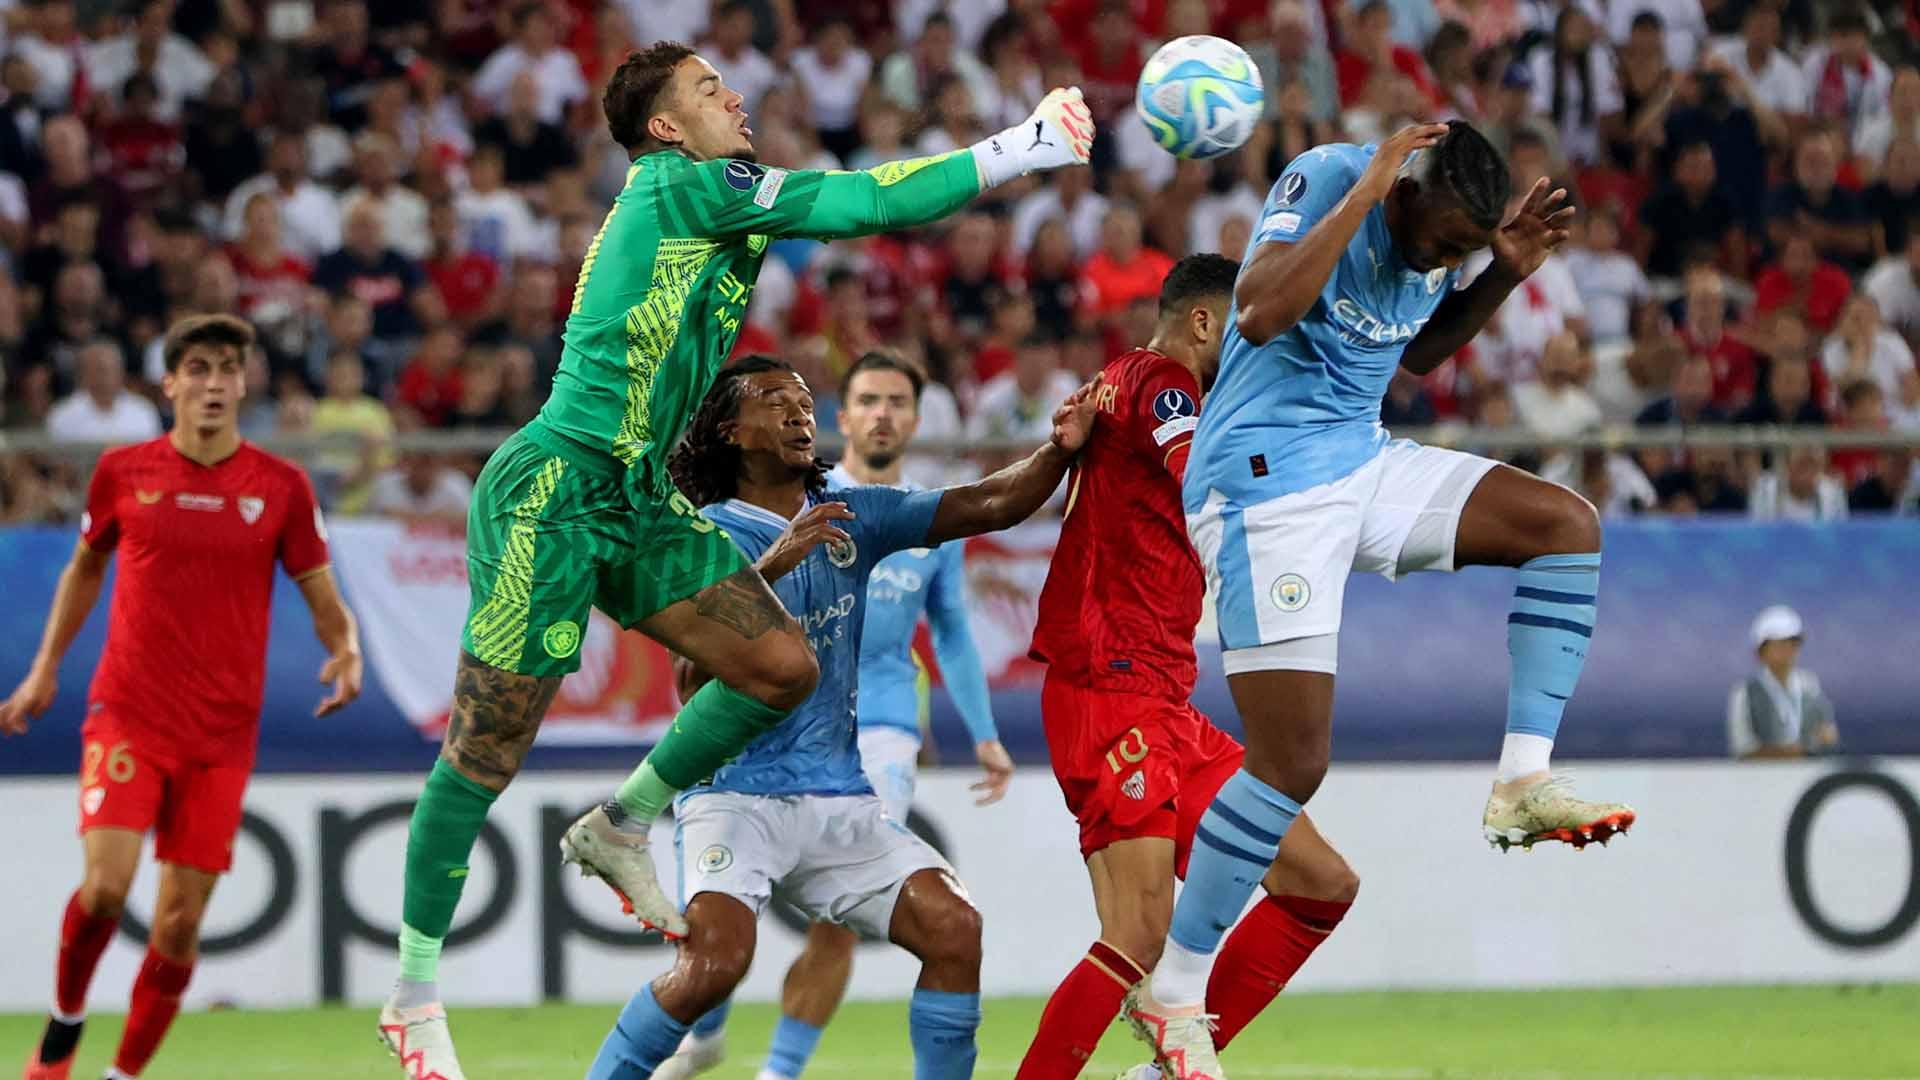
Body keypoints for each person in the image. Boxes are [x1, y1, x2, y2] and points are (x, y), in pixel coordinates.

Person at [377, 39, 1096, 1079]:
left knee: (780, 666)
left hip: (642, 494)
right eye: (711, 90)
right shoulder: (686, 184)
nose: (736, 97)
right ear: (667, 127)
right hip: (558, 486)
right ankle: (412, 993)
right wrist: (1024, 148)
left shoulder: (712, 201)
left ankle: (623, 822)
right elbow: (865, 202)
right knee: (489, 745)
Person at [1135, 122, 1635, 1077]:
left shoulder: (1447, 241)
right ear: (1405, 192)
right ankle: (1174, 990)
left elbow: (1419, 354)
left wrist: (1504, 270)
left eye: (1462, 250)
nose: (1446, 260)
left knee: (1566, 525)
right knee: (1293, 763)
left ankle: (1521, 781)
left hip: (1359, 460)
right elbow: (1257, 315)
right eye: (1444, 241)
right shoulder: (1332, 179)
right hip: (1261, 482)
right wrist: (1361, 191)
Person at [583, 355, 1098, 1079]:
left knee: (955, 928)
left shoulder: (856, 514)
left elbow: (988, 503)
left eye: (802, 400)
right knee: (714, 966)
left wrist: (1058, 450)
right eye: (774, 401)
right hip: (735, 797)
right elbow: (692, 681)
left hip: (839, 799)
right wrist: (773, 569)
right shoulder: (703, 535)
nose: (798, 413)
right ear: (730, 430)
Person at [1017, 255, 1360, 1078]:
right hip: (1111, 682)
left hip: (1160, 695)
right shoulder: (1168, 385)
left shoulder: (1123, 381)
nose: (1252, 346)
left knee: (1318, 883)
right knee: (1137, 935)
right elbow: (1205, 476)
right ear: (1205, 322)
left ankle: (1164, 1070)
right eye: (1240, 331)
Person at [2, 315, 362, 1080]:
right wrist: (44, 670)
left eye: (229, 368)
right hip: (129, 712)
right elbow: (84, 570)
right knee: (104, 889)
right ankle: (62, 1034)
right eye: (197, 368)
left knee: (180, 919)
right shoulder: (123, 472)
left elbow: (319, 587)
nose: (213, 383)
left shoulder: (282, 488)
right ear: (169, 383)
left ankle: (123, 1074)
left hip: (222, 735)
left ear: (245, 383)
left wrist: (346, 647)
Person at [649, 352, 1009, 1080]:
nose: (883, 413)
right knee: (728, 924)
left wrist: (985, 735)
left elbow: (952, 634)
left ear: (915, 418)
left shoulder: (914, 517)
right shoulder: (798, 500)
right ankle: (708, 1024)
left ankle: (778, 1071)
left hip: (879, 731)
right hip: (771, 729)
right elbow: (702, 644)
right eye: (868, 399)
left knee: (844, 924)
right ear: (842, 418)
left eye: (898, 401)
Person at [1727, 605, 1837, 759]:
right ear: (1761, 651)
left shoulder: (1809, 684)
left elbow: (1827, 731)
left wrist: (1824, 736)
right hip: (1761, 777)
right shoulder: (1745, 691)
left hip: (1806, 774)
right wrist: (1786, 753)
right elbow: (1743, 747)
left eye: (1792, 643)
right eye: (1780, 644)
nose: (1788, 650)